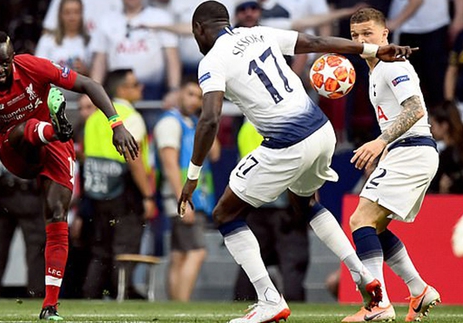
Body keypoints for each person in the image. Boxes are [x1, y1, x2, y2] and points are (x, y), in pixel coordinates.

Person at [178, 2, 415, 322]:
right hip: (321, 131)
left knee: (225, 214)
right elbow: (316, 43)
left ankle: (269, 299)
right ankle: (363, 276)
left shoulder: (212, 61)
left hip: (288, 143)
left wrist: (192, 177)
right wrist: (372, 49)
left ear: (198, 31)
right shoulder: (258, 33)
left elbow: (209, 120)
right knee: (304, 202)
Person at [0, 30, 138, 320]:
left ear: (12, 57)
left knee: (57, 213)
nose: (0, 69)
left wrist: (116, 124)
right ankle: (54, 127)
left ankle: (50, 305)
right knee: (23, 128)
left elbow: (89, 83)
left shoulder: (33, 66)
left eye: (5, 62)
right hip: (15, 150)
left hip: (55, 147)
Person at [342, 8, 441, 322]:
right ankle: (419, 288)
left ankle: (379, 304)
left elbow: (415, 110)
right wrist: (385, 152)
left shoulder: (392, 65)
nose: (361, 40)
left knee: (360, 221)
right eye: (355, 35)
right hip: (405, 152)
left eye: (367, 33)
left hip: (412, 150)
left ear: (385, 34)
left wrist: (381, 142)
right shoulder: (375, 70)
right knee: (376, 226)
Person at [82, 69, 156, 299]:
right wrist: (147, 196)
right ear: (122, 90)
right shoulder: (130, 117)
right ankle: (120, 297)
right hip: (125, 194)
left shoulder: (94, 118)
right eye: (135, 85)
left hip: (98, 193)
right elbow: (134, 159)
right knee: (124, 251)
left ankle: (90, 296)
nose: (141, 89)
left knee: (100, 250)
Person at [154, 78, 219, 302]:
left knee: (180, 254)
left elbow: (216, 153)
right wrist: (183, 200)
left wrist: (208, 117)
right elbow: (170, 164)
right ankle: (182, 305)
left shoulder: (193, 122)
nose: (194, 101)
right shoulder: (170, 123)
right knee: (196, 251)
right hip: (183, 198)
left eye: (200, 97)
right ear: (179, 93)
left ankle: (175, 306)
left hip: (197, 197)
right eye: (190, 94)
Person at [233, 120, 308, 302]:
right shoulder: (284, 122)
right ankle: (294, 307)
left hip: (254, 205)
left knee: (252, 262)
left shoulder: (247, 128)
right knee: (293, 263)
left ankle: (243, 305)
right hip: (285, 206)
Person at [0, 113, 45, 298]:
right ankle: (35, 295)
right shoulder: (30, 114)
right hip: (22, 194)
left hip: (2, 195)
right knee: (33, 250)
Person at [35, 0, 92, 110]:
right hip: (51, 102)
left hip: (80, 104)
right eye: (67, 12)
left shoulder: (89, 41)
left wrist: (85, 71)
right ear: (60, 15)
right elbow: (37, 71)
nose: (72, 17)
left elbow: (95, 76)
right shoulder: (47, 40)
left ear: (82, 14)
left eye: (76, 12)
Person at [428, 101, 463, 194]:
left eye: (433, 125)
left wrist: (442, 190)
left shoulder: (448, 156)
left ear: (444, 125)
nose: (431, 130)